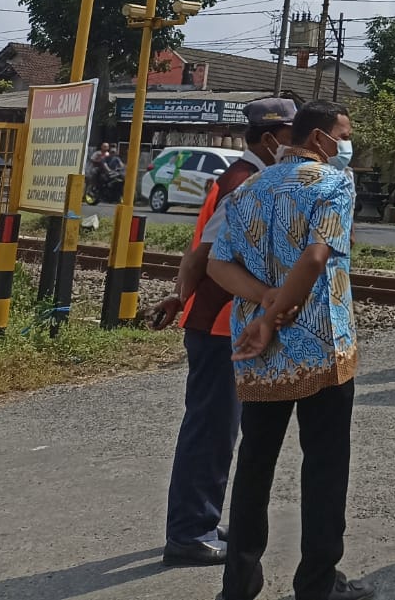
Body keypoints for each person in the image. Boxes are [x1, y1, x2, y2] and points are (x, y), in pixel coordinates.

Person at [206, 100, 371, 600]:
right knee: (324, 466)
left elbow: (218, 265)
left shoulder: (247, 190)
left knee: (254, 463)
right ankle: (317, 584)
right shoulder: (333, 184)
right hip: (321, 346)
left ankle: (239, 582)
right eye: (343, 135)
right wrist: (279, 311)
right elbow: (318, 254)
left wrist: (264, 304)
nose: (346, 145)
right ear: (320, 139)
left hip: (258, 349)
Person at [153, 98, 295, 568]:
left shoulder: (242, 176)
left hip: (217, 321)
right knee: (211, 431)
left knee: (219, 429)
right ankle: (189, 532)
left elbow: (197, 252)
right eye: (293, 136)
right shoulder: (245, 182)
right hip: (219, 325)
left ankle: (202, 520)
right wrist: (183, 298)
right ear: (272, 139)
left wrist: (179, 297)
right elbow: (203, 253)